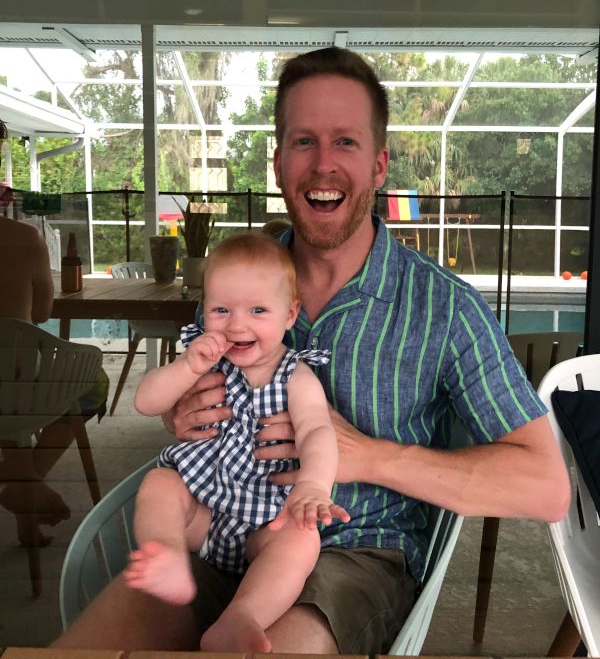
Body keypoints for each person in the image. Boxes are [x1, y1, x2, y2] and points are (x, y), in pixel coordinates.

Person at [54, 47, 570, 654]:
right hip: (218, 531)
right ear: (277, 162)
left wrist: (369, 457)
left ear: (379, 166)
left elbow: (546, 486)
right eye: (303, 142)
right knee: (100, 641)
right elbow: (188, 403)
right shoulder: (238, 285)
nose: (323, 165)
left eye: (345, 142)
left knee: (285, 647)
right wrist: (180, 412)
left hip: (349, 555)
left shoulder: (444, 308)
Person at [123, 232, 349, 652]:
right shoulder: (203, 360)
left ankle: (242, 616)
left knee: (301, 539)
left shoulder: (294, 375)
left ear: (289, 313)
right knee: (159, 484)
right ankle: (169, 556)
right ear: (204, 310)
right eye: (221, 309)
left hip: (265, 521)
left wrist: (313, 487)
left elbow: (318, 431)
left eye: (258, 310)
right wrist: (187, 367)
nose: (237, 324)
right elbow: (145, 402)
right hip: (203, 511)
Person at [0, 173, 107, 546]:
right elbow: (44, 312)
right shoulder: (24, 238)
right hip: (16, 385)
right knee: (93, 384)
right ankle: (26, 479)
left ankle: (21, 478)